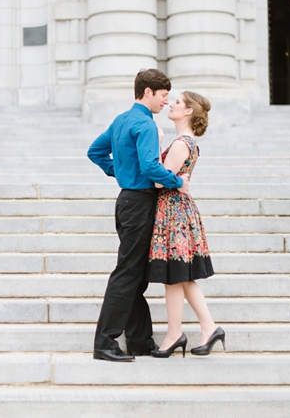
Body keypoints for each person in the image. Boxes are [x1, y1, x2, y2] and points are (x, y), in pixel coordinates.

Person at [87, 69, 190, 362]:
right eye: (163, 95)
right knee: (128, 273)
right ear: (147, 92)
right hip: (140, 202)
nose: (165, 102)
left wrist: (118, 171)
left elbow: (94, 152)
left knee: (136, 274)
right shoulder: (145, 124)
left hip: (127, 202)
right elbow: (149, 166)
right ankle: (105, 343)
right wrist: (178, 181)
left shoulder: (122, 120)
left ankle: (140, 341)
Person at [146, 91, 225, 358]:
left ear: (189, 111)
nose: (171, 104)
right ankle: (208, 327)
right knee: (181, 276)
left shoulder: (181, 143)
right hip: (180, 212)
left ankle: (175, 333)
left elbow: (159, 180)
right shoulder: (188, 142)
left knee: (174, 275)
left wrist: (156, 145)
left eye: (177, 102)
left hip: (174, 214)